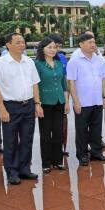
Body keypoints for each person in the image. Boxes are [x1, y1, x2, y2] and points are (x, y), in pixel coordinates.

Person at [0, 33, 42, 185]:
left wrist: (37, 104)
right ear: (8, 45)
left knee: (27, 140)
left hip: (28, 105)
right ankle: (12, 172)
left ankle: (24, 169)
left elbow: (35, 84)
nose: (22, 45)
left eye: (23, 42)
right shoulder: (0, 63)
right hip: (10, 106)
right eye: (18, 42)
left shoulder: (29, 61)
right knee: (10, 141)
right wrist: (2, 109)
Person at [67, 33, 105, 166]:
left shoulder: (99, 60)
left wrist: (104, 96)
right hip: (82, 102)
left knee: (96, 128)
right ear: (81, 44)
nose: (93, 45)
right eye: (89, 42)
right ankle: (82, 155)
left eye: (93, 42)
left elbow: (103, 79)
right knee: (81, 130)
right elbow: (71, 82)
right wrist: (76, 101)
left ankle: (96, 152)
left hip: (97, 100)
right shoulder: (74, 60)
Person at [35, 37, 69, 173]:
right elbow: (35, 85)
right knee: (45, 134)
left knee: (58, 133)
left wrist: (66, 102)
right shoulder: (37, 64)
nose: (53, 50)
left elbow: (63, 85)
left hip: (59, 101)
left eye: (55, 47)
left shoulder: (59, 62)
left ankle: (58, 160)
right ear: (42, 49)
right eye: (49, 47)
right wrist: (37, 104)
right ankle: (46, 162)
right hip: (45, 102)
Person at [48, 34, 70, 156]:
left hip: (62, 95)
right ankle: (50, 150)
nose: (56, 49)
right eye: (54, 46)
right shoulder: (40, 60)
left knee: (61, 124)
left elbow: (64, 78)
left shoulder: (62, 57)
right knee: (49, 126)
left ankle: (61, 148)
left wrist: (67, 97)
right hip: (48, 97)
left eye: (59, 47)